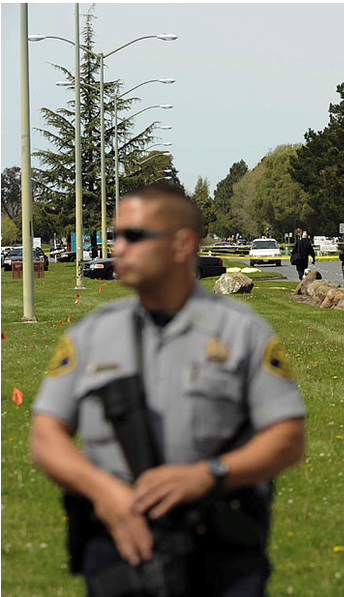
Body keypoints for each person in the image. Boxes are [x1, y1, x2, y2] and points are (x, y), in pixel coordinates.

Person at [29, 184, 306, 597]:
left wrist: (210, 474)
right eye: (115, 236)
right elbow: (45, 436)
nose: (117, 247)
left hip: (219, 548)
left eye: (134, 236)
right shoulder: (90, 335)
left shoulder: (241, 332)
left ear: (182, 244)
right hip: (120, 546)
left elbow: (288, 437)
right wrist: (104, 493)